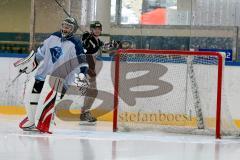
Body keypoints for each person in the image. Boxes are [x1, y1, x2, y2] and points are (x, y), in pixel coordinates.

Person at [17, 17, 89, 133]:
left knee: (46, 100)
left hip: (60, 79)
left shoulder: (76, 43)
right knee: (31, 97)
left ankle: (44, 122)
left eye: (68, 27)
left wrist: (82, 75)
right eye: (64, 26)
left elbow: (83, 62)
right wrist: (30, 63)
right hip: (42, 75)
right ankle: (31, 121)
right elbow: (40, 54)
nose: (65, 29)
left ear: (73, 29)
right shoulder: (53, 37)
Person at [79, 21, 104, 124]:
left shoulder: (98, 41)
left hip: (90, 67)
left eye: (99, 29)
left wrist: (116, 44)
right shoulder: (88, 38)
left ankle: (84, 112)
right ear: (91, 29)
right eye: (95, 29)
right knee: (92, 91)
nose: (97, 30)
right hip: (85, 66)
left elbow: (102, 46)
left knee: (93, 91)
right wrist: (85, 39)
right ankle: (85, 112)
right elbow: (85, 48)